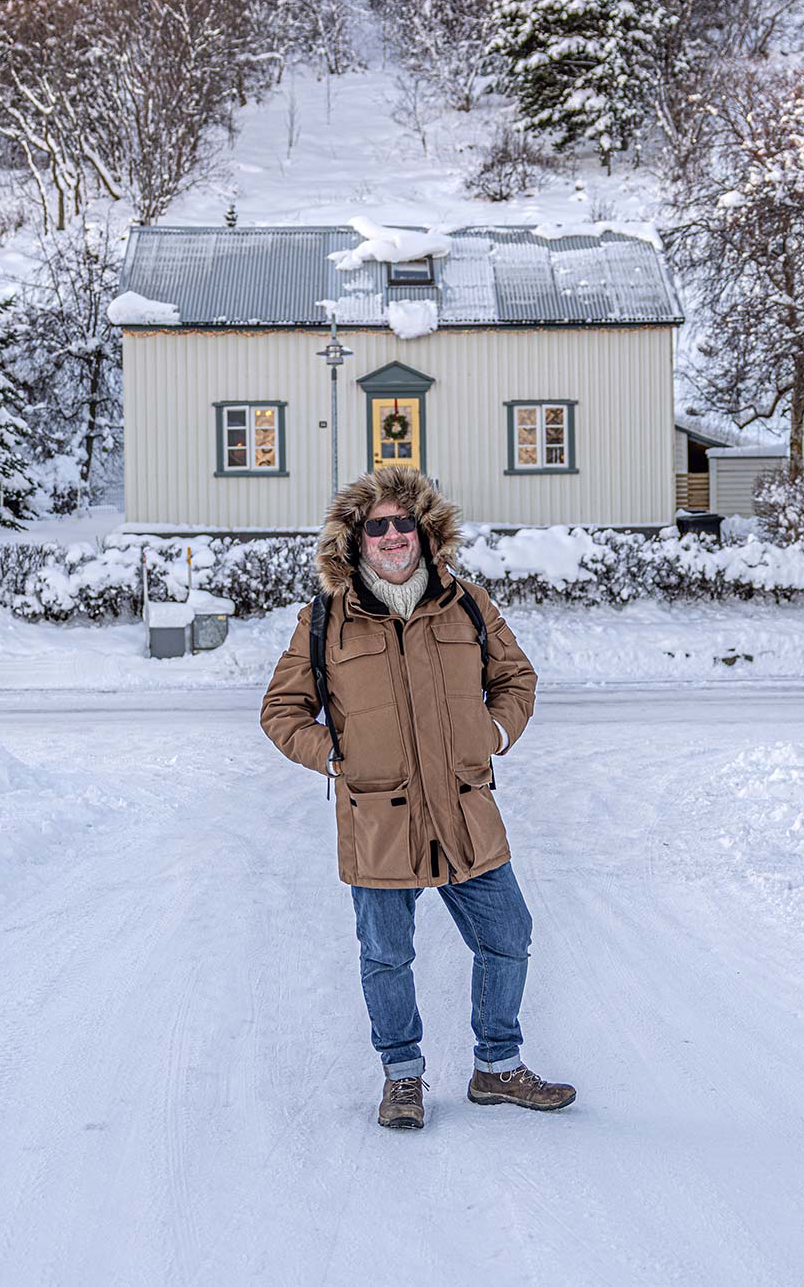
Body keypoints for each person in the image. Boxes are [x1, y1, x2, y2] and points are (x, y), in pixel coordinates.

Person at [260, 467, 575, 1130]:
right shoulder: (324, 621)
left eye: (406, 522)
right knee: (386, 955)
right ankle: (402, 1077)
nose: (394, 534)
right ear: (356, 539)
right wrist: (333, 754)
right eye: (378, 525)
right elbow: (283, 710)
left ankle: (497, 1065)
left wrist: (494, 730)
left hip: (463, 807)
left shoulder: (466, 604)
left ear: (426, 532)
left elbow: (516, 678)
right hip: (380, 814)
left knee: (508, 934)